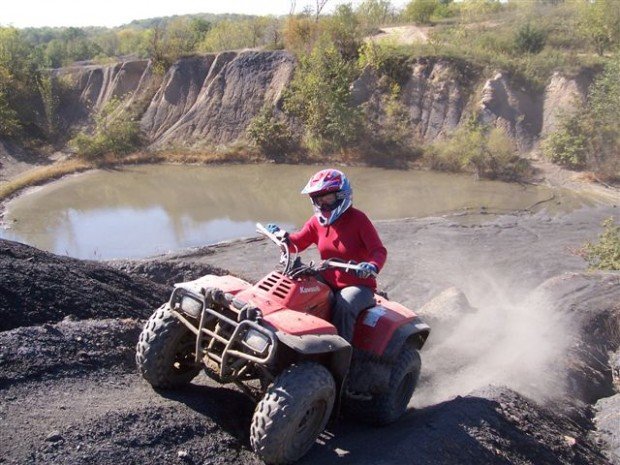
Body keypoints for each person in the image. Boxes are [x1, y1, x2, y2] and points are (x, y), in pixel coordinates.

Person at [267, 168, 387, 343]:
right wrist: (282, 236)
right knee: (294, 289)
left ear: (341, 196)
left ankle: (342, 353)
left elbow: (378, 250)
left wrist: (371, 266)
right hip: (326, 278)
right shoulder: (316, 222)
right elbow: (297, 243)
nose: (322, 203)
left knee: (345, 304)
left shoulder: (359, 220)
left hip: (357, 284)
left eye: (327, 197)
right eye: (318, 199)